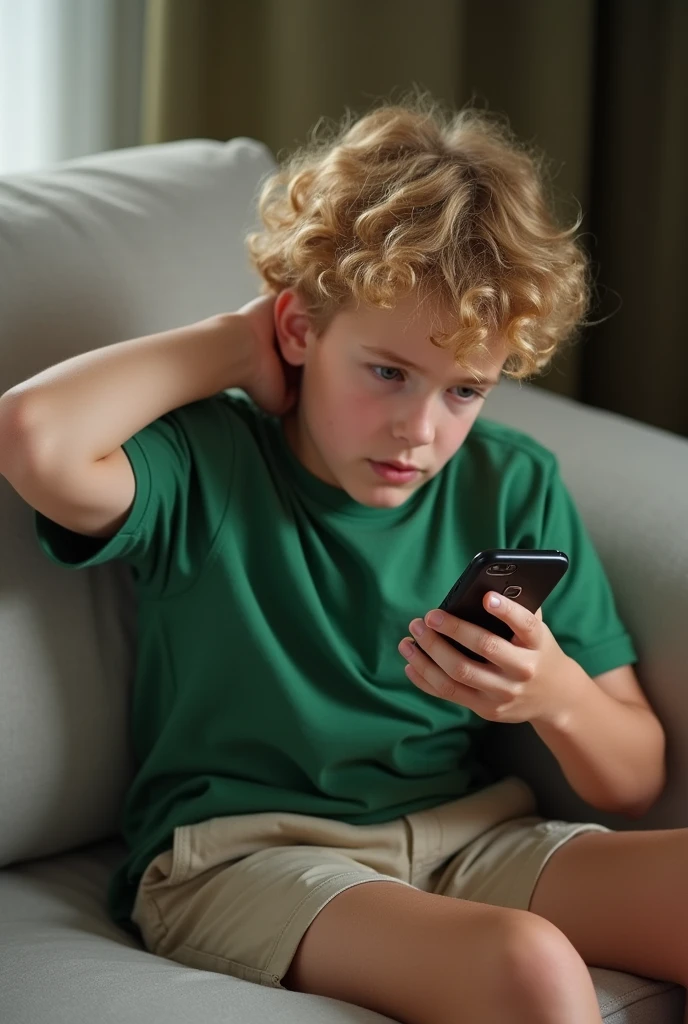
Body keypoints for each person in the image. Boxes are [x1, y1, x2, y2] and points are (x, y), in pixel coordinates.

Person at [0, 93, 682, 1024]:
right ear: (300, 331)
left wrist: (552, 695)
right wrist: (235, 343)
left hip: (468, 837)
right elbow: (34, 438)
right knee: (526, 967)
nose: (419, 430)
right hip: (242, 855)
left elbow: (634, 775)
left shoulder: (512, 483)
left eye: (465, 390)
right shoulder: (211, 460)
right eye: (387, 371)